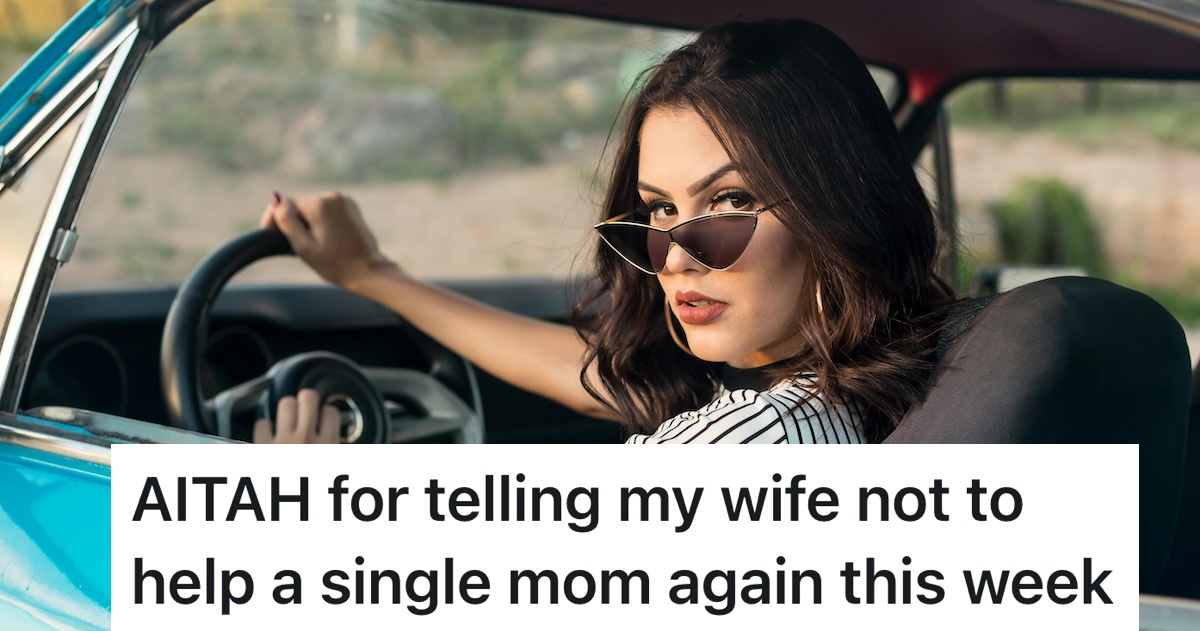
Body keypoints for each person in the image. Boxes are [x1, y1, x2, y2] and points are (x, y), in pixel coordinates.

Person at [253, 19, 954, 445]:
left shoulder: (740, 446)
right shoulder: (886, 390)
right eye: (659, 210)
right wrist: (371, 273)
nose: (676, 258)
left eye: (730, 199)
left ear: (838, 209)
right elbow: (603, 376)